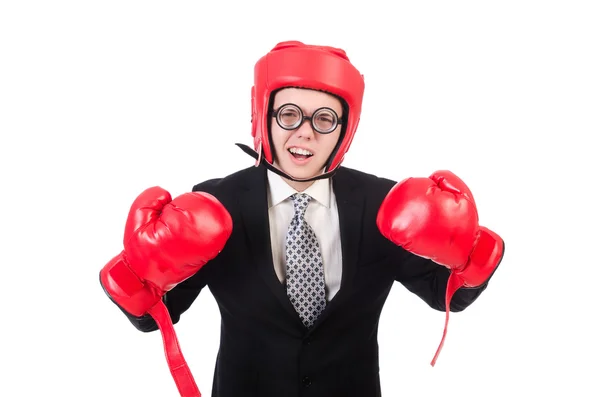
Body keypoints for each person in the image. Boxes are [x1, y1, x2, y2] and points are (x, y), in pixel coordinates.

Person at [99, 40, 505, 397]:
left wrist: (472, 252)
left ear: (345, 130)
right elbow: (160, 315)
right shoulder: (216, 202)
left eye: (324, 119)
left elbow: (445, 293)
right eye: (289, 114)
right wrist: (134, 278)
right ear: (264, 117)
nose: (305, 133)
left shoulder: (384, 202)